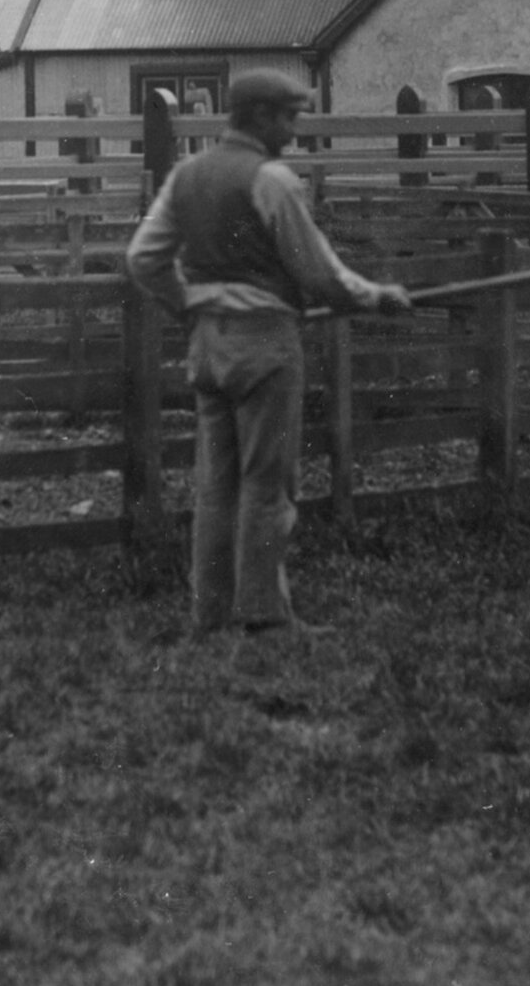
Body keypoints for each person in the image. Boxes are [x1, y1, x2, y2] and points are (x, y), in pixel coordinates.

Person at [123, 66, 411, 634]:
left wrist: (189, 305)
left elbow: (142, 259)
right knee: (266, 481)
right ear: (258, 116)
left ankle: (210, 612)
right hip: (264, 344)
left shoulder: (186, 175)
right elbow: (319, 274)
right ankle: (261, 614)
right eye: (288, 118)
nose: (293, 131)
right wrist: (377, 297)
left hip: (208, 345)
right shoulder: (272, 180)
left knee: (216, 484)